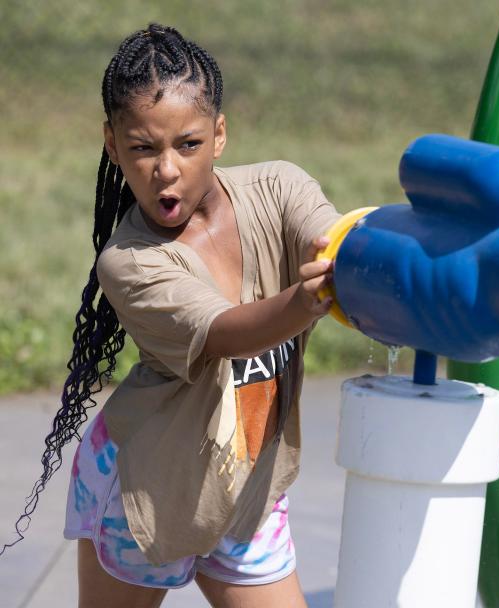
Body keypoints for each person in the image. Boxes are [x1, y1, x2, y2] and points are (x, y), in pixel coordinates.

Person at [3, 24, 340, 607]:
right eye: (143, 147)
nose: (166, 169)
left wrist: (362, 259)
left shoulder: (279, 188)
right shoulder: (129, 261)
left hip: (244, 492)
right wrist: (312, 299)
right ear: (112, 145)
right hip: (141, 496)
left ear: (219, 134)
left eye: (188, 144)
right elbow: (226, 334)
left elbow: (330, 238)